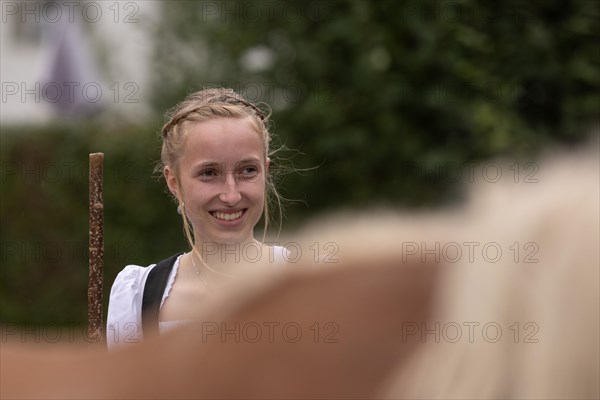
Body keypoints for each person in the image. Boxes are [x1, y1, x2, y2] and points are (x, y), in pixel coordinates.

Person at [106, 88, 288, 348]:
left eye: (247, 170)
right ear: (174, 182)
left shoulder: (312, 285)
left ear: (265, 171)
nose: (231, 195)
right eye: (208, 173)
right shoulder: (140, 297)